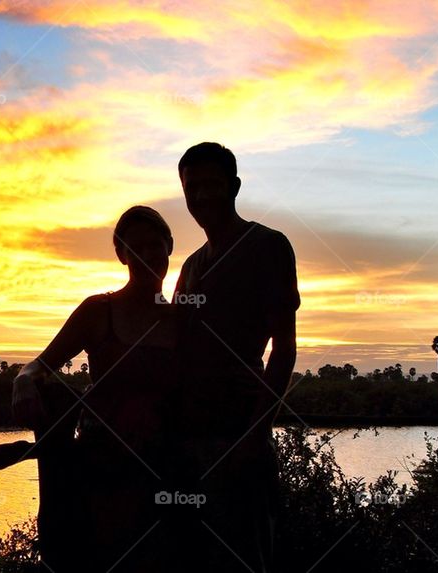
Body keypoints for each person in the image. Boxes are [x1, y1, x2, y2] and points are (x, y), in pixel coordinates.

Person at [11, 205, 177, 573]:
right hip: (103, 469)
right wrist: (22, 382)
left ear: (170, 246)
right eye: (136, 249)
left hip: (163, 470)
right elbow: (39, 365)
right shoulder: (99, 311)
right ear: (121, 254)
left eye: (155, 245)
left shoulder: (182, 319)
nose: (147, 256)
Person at [171, 142, 300, 572]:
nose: (202, 196)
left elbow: (284, 349)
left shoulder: (268, 246)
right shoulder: (190, 266)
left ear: (235, 186)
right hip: (187, 439)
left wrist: (254, 435)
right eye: (193, 188)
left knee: (243, 557)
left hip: (237, 436)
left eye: (213, 184)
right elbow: (176, 348)